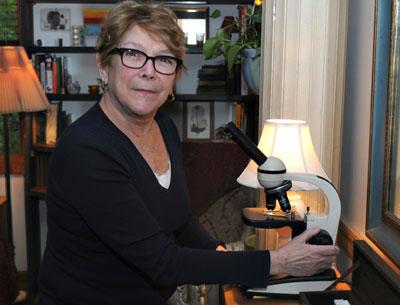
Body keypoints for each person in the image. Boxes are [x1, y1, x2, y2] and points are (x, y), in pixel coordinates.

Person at [38, 1, 339, 305]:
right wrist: (278, 262)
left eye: (164, 59)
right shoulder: (86, 150)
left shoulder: (165, 129)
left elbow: (181, 222)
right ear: (103, 66)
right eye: (133, 54)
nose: (149, 71)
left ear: (173, 78)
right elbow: (162, 262)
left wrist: (218, 253)